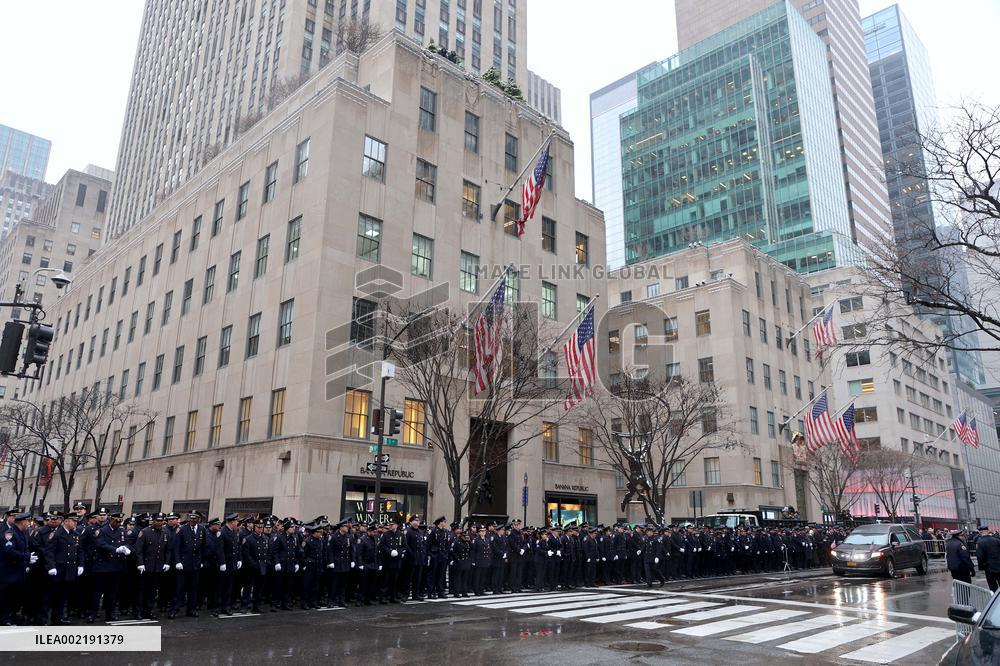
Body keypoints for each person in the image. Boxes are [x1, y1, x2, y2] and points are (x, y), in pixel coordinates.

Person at [0, 511, 31, 625]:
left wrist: (27, 561)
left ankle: (11, 616)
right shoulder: (10, 533)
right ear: (22, 522)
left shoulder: (22, 533)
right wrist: (26, 557)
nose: (28, 523)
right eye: (27, 521)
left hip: (18, 571)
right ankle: (4, 619)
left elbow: (25, 548)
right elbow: (9, 551)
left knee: (14, 597)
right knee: (6, 597)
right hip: (9, 572)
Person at [976, 526, 1000, 592]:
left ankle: (996, 601)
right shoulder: (997, 540)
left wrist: (981, 567)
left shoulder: (980, 542)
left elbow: (980, 557)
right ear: (988, 531)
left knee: (993, 587)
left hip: (989, 568)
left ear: (980, 532)